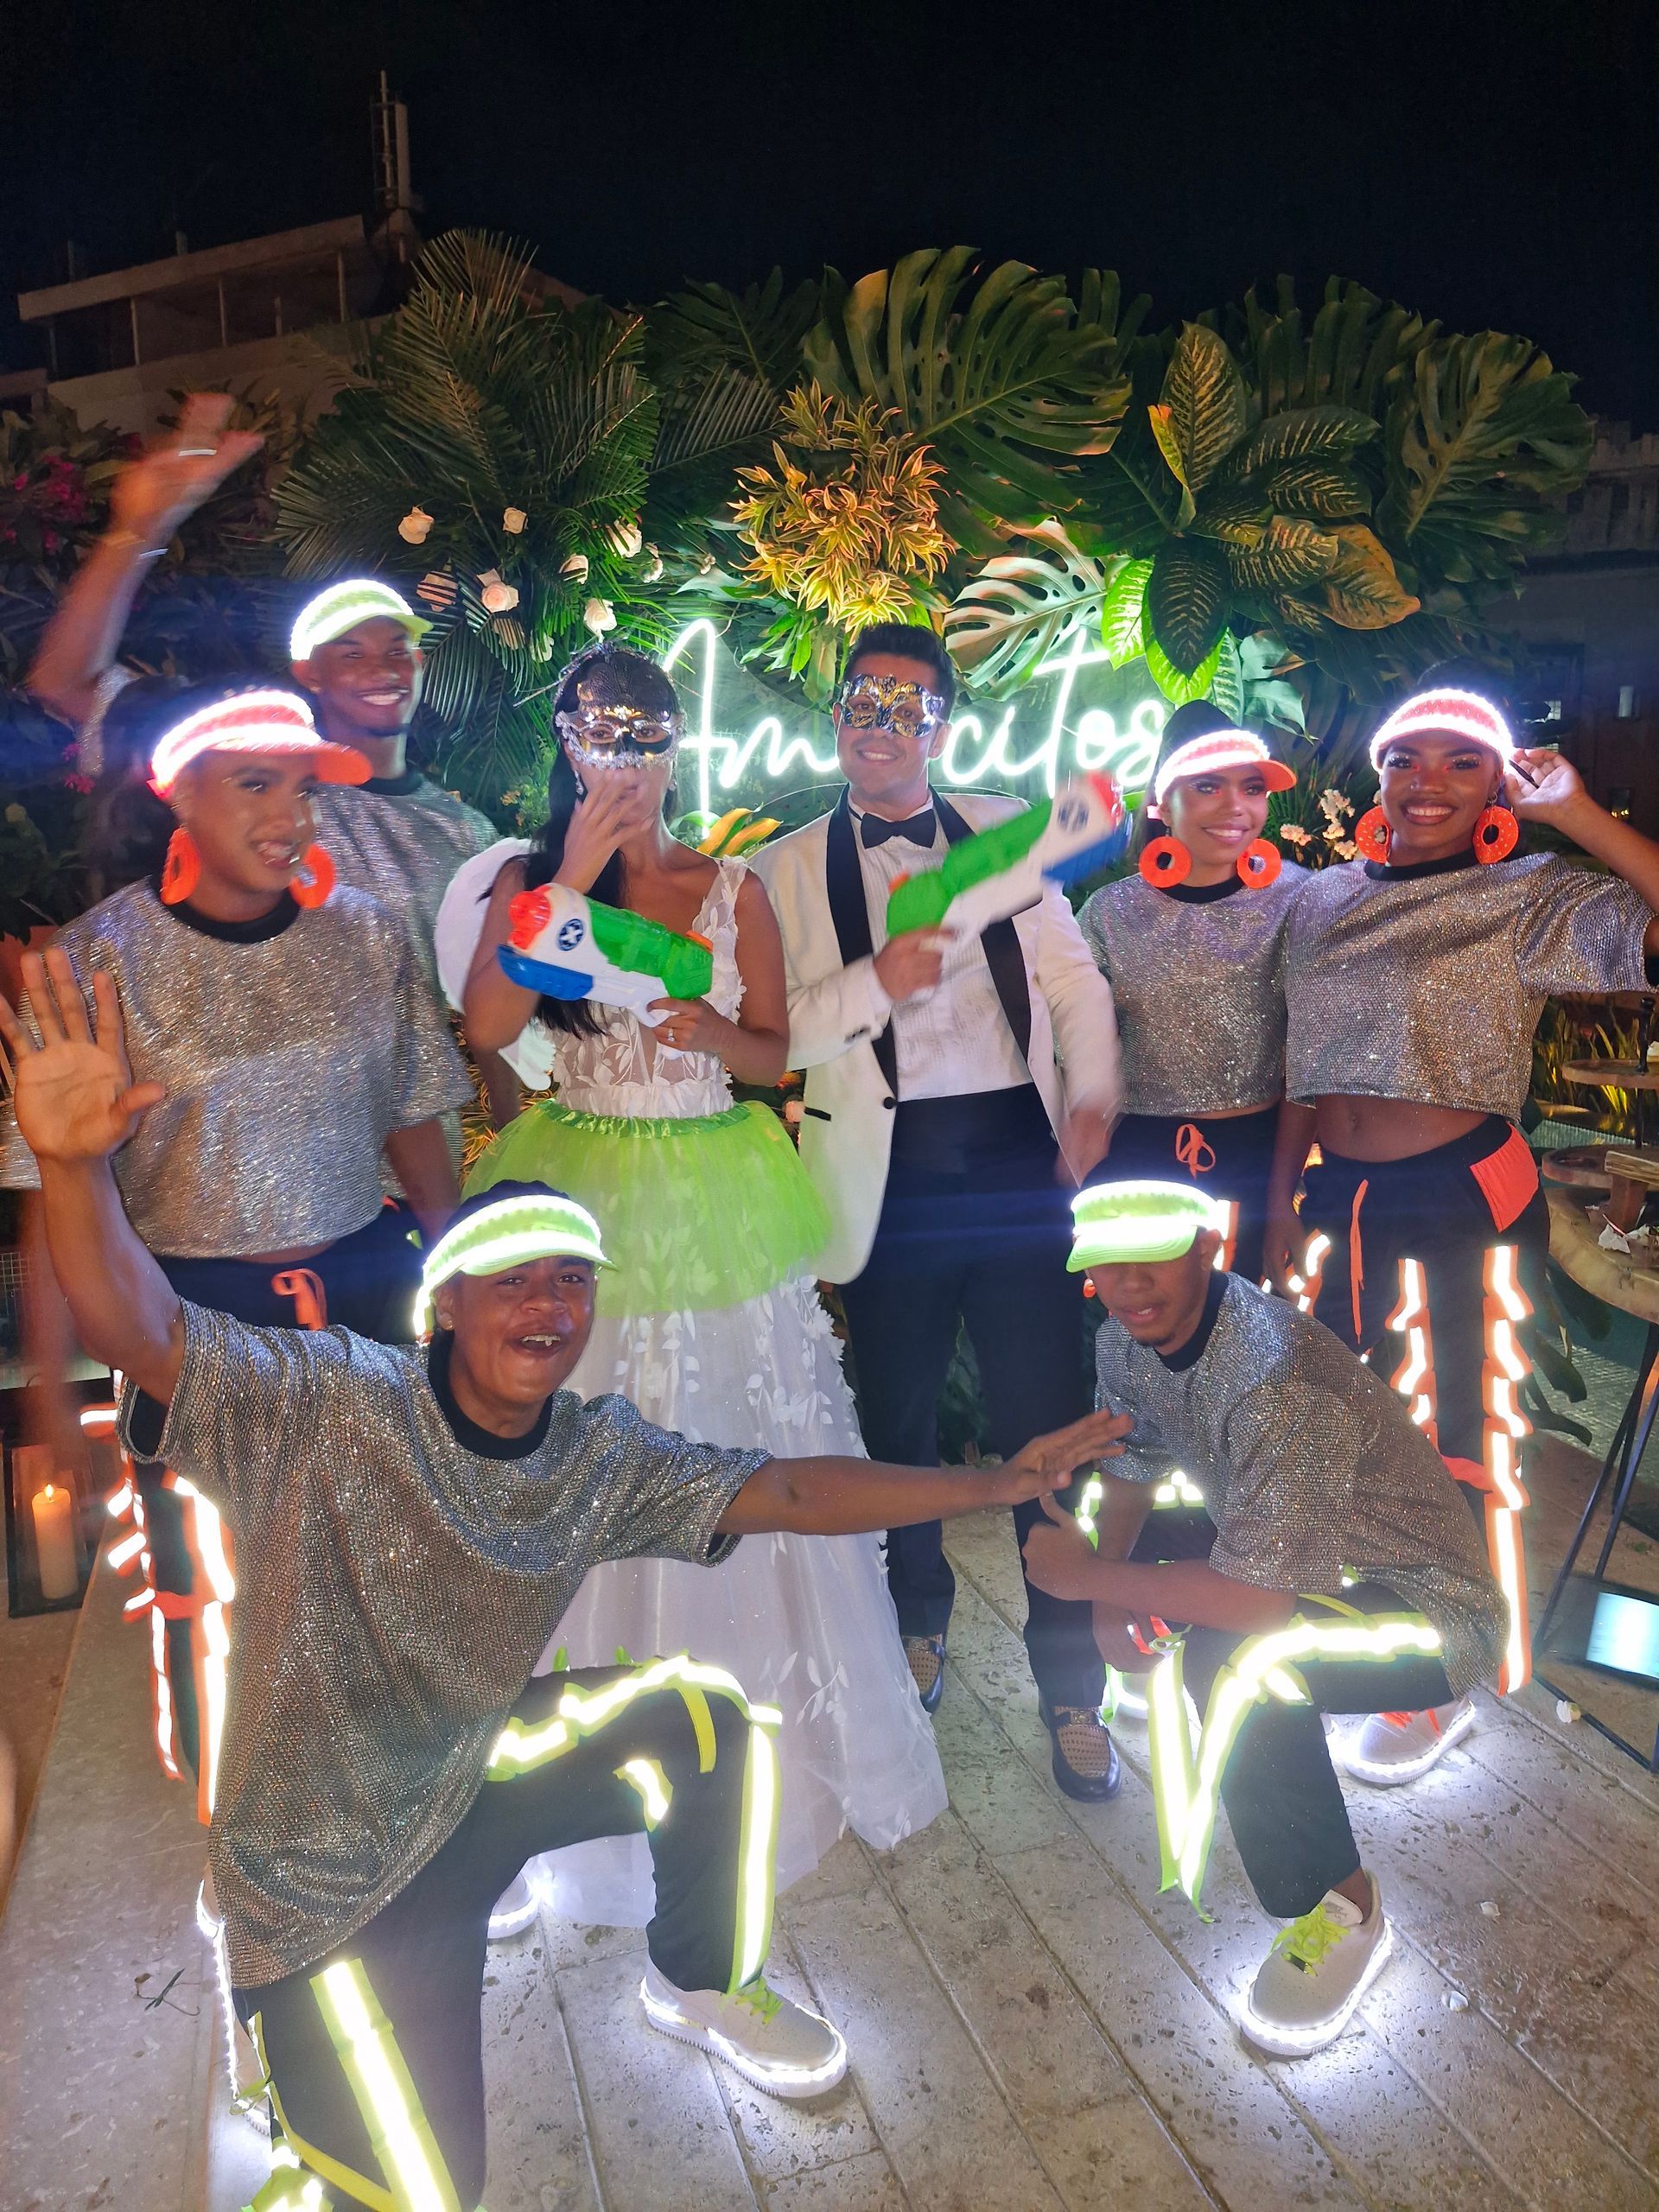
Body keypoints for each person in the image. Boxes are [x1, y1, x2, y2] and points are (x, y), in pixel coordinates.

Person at [1, 954, 1126, 2208]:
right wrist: (71, 1167)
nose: (547, 1305)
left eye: (571, 1282)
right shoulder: (331, 1405)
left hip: (480, 1773)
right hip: (334, 1866)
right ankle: (290, 2083)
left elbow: (797, 1493)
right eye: (514, 1280)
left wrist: (998, 1485)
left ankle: (697, 1978)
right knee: (424, 2189)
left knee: (701, 1724)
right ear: (445, 1309)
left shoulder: (595, 1454)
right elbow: (142, 1331)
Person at [441, 642, 948, 1924]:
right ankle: (544, 1768)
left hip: (716, 1187)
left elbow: (776, 1050)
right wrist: (561, 878)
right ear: (566, 748)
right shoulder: (526, 882)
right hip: (586, 1186)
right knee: (567, 1453)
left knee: (740, 1427)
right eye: (605, 739)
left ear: (680, 749)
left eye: (650, 739)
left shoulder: (732, 888)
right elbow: (487, 1031)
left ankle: (746, 1734)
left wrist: (722, 1037)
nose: (630, 763)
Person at [0, 689, 471, 1815]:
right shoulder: (98, 962)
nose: (290, 812)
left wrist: (456, 1268)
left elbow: (413, 1114)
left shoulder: (362, 934)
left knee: (385, 1560)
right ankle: (241, 1821)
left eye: (302, 785)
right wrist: (56, 1405)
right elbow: (52, 1189)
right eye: (254, 784)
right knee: (208, 1582)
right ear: (180, 794)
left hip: (367, 1295)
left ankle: (394, 1791)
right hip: (188, 1323)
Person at [754, 622, 1125, 1798]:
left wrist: (1095, 1094)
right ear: (835, 719)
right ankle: (916, 1621)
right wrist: (876, 984)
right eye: (864, 700)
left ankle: (1071, 1681)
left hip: (1018, 1155)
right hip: (884, 1172)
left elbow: (1069, 977)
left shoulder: (1005, 825)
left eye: (910, 704)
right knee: (894, 1424)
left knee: (1047, 1416)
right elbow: (779, 1033)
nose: (883, 721)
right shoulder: (781, 865)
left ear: (943, 724)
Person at [1264, 683, 1659, 1775]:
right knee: (1347, 1430)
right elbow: (1301, 1058)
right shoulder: (1320, 900)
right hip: (1332, 1199)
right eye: (1406, 759)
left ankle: (1449, 1680)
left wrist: (1575, 813)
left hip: (1456, 1196)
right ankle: (1373, 1627)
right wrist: (1272, 1202)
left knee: (1456, 1442)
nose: (1426, 782)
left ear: (1499, 784)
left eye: (1460, 762)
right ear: (1378, 775)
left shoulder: (1527, 894)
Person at [1021, 1179, 1506, 2056]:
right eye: (1105, 1265)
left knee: (1237, 1664)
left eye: (1150, 1258)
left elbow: (1256, 1603)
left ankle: (1345, 1905)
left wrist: (1096, 1575)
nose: (1127, 1285)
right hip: (1305, 1547)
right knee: (1173, 1564)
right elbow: (1133, 1458)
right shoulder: (1124, 1338)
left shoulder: (1273, 1375)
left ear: (1206, 1247)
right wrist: (1108, 1589)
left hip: (1431, 1607)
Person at [26, 394, 518, 1127]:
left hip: (432, 1145)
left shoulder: (466, 830)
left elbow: (486, 1015)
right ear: (307, 673)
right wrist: (138, 530)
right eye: (349, 652)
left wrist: (510, 1145)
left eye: (396, 648)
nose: (381, 667)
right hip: (254, 1142)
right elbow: (64, 682)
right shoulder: (238, 769)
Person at [1077, 700, 1312, 1281]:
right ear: (1163, 800)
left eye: (1251, 787)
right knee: (1145, 1343)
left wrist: (1283, 1198)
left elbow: (1310, 1060)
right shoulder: (1110, 913)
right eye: (1208, 785)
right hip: (1136, 1161)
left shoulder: (1299, 901)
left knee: (1246, 1344)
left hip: (1260, 1161)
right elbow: (1074, 1055)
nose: (1235, 806)